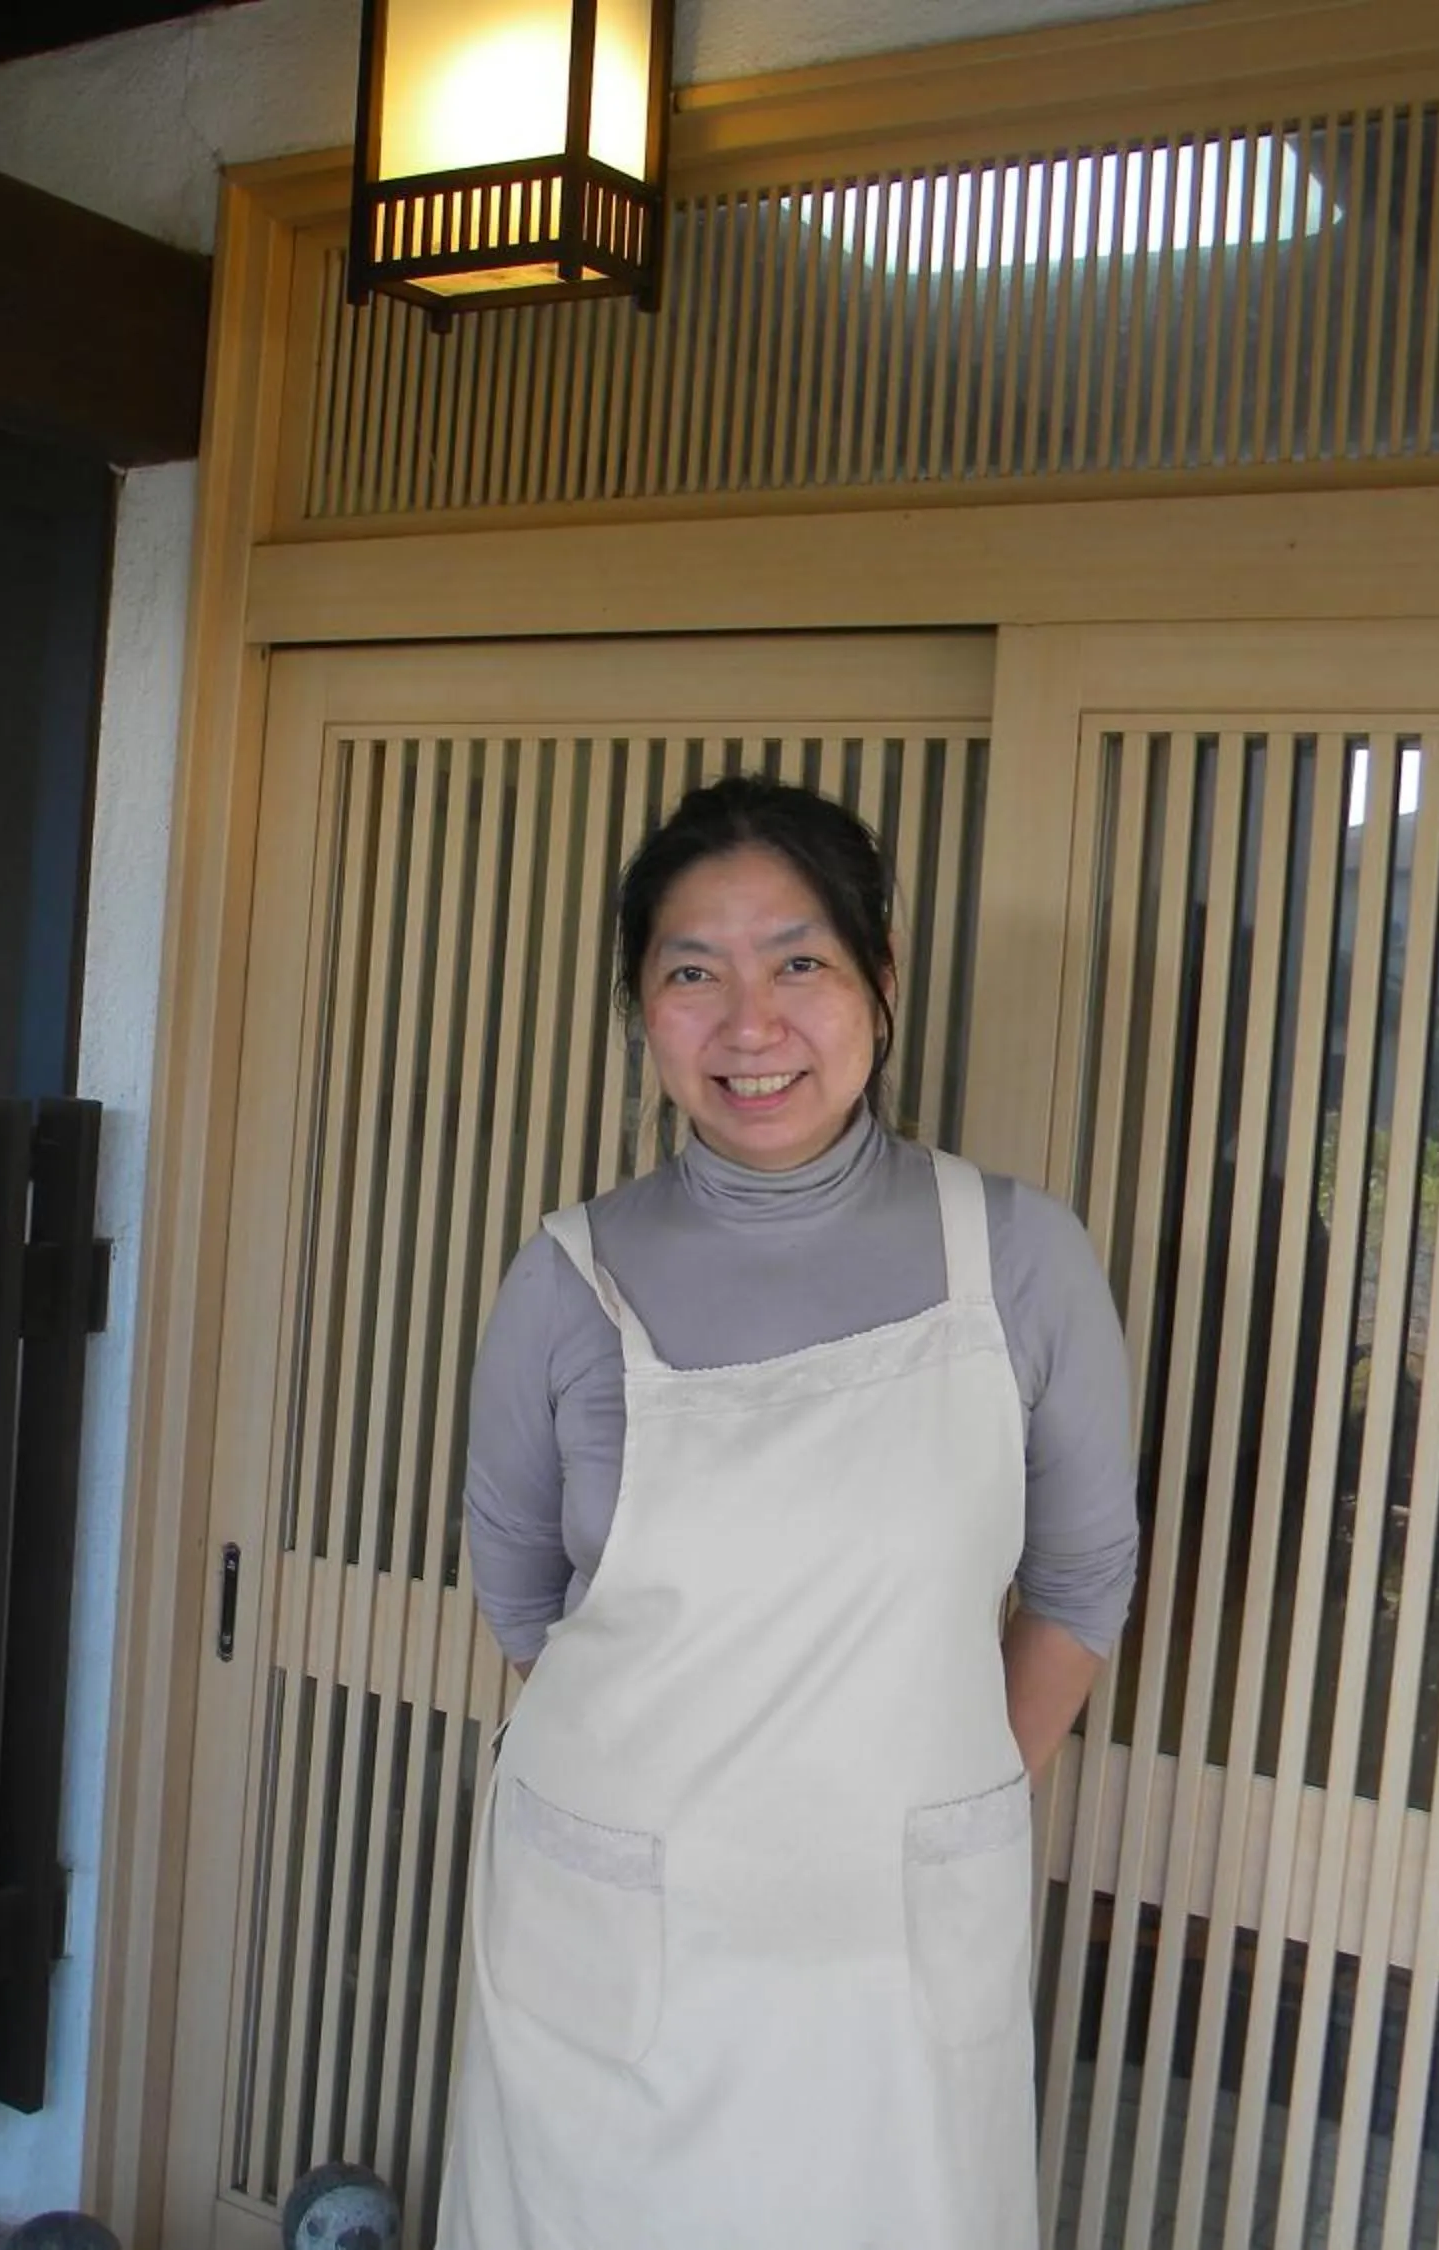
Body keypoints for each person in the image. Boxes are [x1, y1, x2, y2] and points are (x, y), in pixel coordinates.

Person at [434, 775, 1138, 2249]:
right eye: (693, 972)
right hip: (609, 1941)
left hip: (893, 1950)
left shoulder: (1018, 1256)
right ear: (644, 1012)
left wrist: (924, 1797)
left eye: (798, 962)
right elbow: (517, 1595)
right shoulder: (565, 1279)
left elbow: (1080, 1581)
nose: (749, 1024)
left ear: (883, 980)